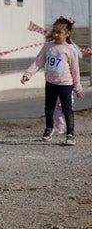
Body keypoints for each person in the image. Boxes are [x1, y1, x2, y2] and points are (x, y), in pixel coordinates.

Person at [21, 16, 84, 145]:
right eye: (54, 31)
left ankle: (70, 134)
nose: (55, 35)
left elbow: (75, 70)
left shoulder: (70, 50)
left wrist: (77, 86)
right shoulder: (48, 47)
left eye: (59, 32)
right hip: (50, 83)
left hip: (66, 84)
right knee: (49, 108)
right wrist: (28, 74)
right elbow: (38, 61)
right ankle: (49, 128)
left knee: (67, 109)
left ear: (67, 34)